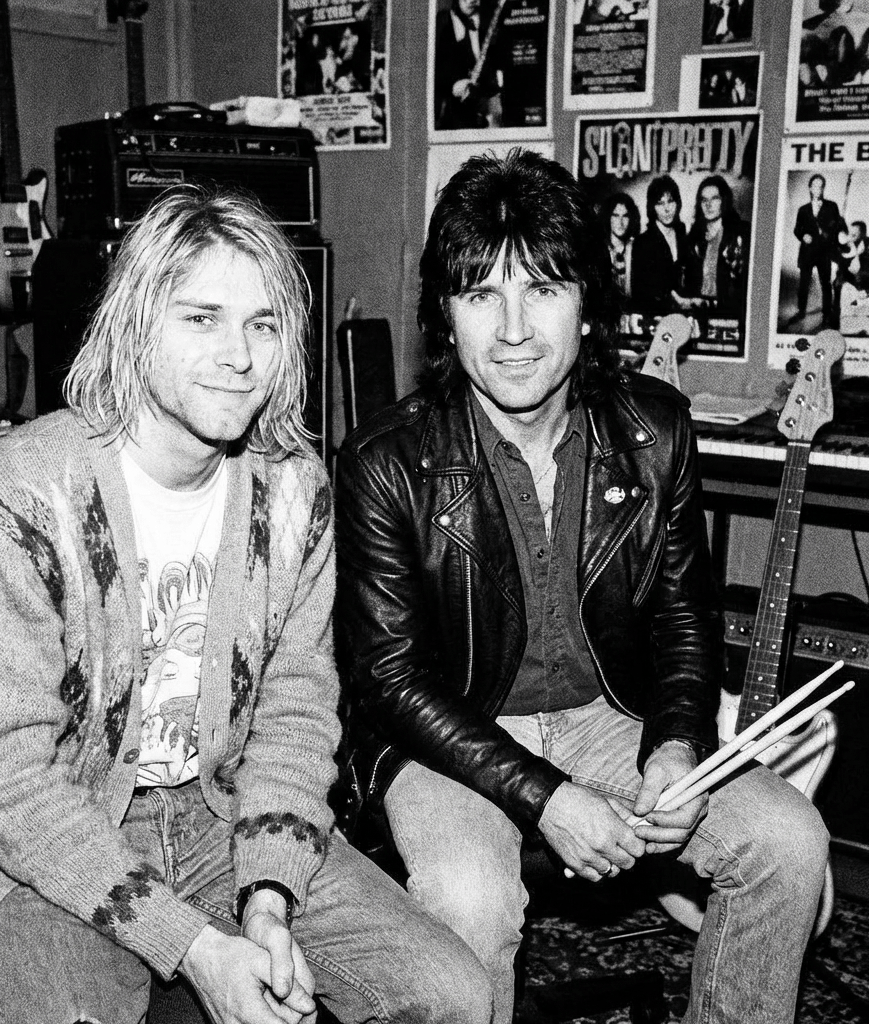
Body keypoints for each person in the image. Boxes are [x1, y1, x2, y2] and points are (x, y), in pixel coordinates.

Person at [0, 187, 493, 1024]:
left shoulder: (293, 491)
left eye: (261, 324)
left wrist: (267, 898)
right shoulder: (22, 496)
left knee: (453, 996)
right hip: (37, 836)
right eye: (200, 317)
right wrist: (197, 947)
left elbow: (295, 712)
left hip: (222, 813)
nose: (239, 356)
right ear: (136, 324)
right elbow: (2, 780)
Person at [334, 149, 830, 1024]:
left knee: (790, 839)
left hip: (609, 715)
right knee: (469, 895)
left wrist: (677, 742)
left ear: (590, 307)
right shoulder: (386, 463)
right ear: (444, 318)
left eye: (545, 289)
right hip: (454, 731)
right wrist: (546, 798)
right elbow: (390, 682)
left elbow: (684, 613)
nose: (515, 329)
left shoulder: (655, 429)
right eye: (482, 294)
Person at [683, 175, 750, 317]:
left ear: (724, 201)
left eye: (715, 198)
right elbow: (689, 283)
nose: (708, 205)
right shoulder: (693, 239)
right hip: (699, 312)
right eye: (704, 200)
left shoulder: (741, 233)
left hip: (730, 313)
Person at [433, 0, 503, 130]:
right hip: (455, 104)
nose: (471, 1)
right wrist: (453, 85)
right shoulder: (443, 21)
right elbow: (435, 67)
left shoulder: (490, 19)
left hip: (486, 99)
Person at [792, 172, 846, 329]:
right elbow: (797, 229)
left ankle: (827, 315)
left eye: (820, 186)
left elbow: (838, 225)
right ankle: (801, 311)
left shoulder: (832, 206)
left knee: (826, 284)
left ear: (823, 188)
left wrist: (839, 232)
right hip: (807, 253)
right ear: (810, 188)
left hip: (824, 253)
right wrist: (803, 236)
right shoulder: (803, 210)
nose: (818, 188)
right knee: (803, 284)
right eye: (814, 185)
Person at [631, 175, 690, 312]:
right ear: (652, 207)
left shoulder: (684, 237)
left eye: (670, 201)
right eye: (660, 203)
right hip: (655, 316)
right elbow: (642, 291)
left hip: (684, 317)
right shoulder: (642, 242)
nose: (667, 209)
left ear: (678, 203)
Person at [600, 192, 639, 299]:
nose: (620, 222)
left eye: (625, 216)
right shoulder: (600, 250)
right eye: (616, 215)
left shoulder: (637, 248)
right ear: (608, 217)